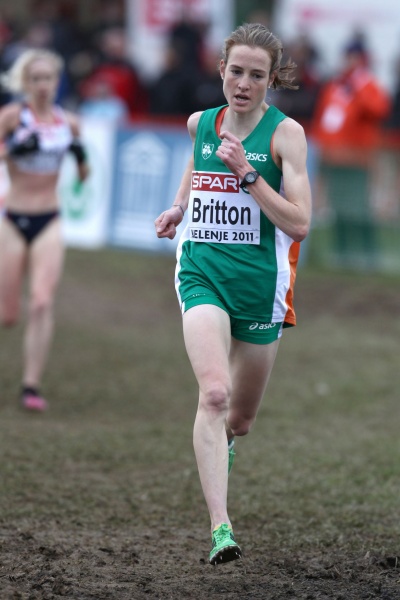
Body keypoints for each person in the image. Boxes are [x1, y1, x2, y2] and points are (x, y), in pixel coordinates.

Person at [155, 23, 311, 565]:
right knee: (214, 394)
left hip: (261, 288)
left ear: (272, 80)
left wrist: (247, 174)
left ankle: (226, 444)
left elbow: (300, 223)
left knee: (239, 419)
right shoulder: (201, 123)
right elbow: (195, 167)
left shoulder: (286, 135)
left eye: (256, 75)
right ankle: (221, 528)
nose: (244, 84)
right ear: (221, 70)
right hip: (202, 272)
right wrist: (179, 207)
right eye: (236, 71)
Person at [0, 48, 90, 411]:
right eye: (35, 78)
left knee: (41, 301)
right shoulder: (11, 117)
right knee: (8, 316)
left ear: (57, 81)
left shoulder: (69, 123)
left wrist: (80, 157)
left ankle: (31, 386)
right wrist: (14, 148)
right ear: (26, 82)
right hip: (12, 219)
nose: (42, 85)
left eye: (48, 78)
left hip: (49, 218)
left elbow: (84, 176)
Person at [311, 36, 391, 266]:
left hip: (358, 160)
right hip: (333, 158)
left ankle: (367, 254)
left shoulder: (368, 85)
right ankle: (343, 252)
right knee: (338, 208)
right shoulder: (334, 85)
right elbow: (323, 118)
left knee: (359, 208)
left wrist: (357, 86)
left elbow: (379, 110)